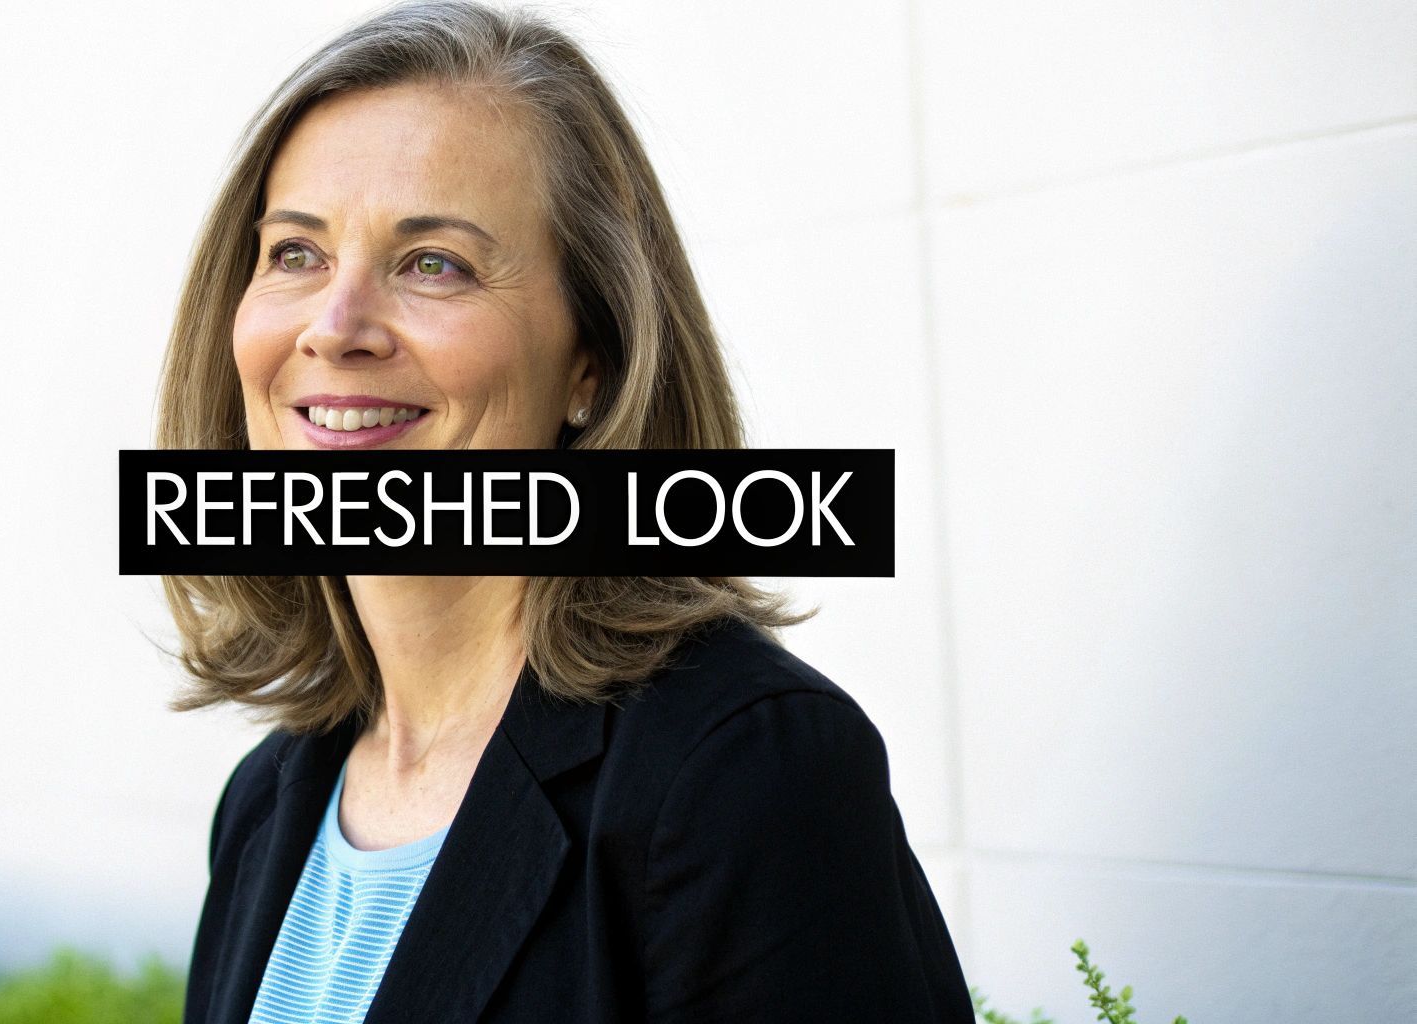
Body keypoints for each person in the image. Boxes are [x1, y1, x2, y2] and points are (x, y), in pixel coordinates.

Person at [154, 2, 973, 1021]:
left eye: (432, 263)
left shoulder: (745, 773)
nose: (337, 326)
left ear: (592, 361)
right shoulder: (267, 801)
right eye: (295, 253)